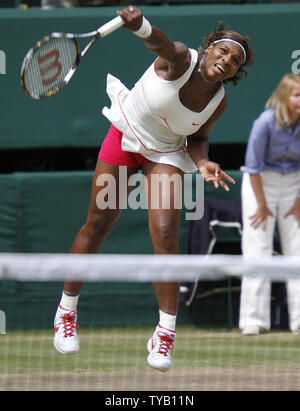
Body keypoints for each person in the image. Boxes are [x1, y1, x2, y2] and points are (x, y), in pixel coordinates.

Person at [53, 5, 254, 371]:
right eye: (223, 51)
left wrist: (203, 162)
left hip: (166, 152)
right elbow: (159, 43)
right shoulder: (179, 59)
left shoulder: (217, 102)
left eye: (235, 61)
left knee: (165, 234)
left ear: (235, 73)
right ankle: (66, 312)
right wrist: (141, 26)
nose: (227, 60)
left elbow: (198, 137)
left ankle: (165, 333)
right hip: (127, 132)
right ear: (208, 48)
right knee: (97, 224)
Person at [239, 73, 300, 336]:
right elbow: (253, 168)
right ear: (284, 96)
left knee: (297, 250)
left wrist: (297, 201)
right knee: (258, 246)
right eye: (297, 95)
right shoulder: (264, 122)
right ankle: (253, 319)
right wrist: (262, 205)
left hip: (295, 185)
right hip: (260, 183)